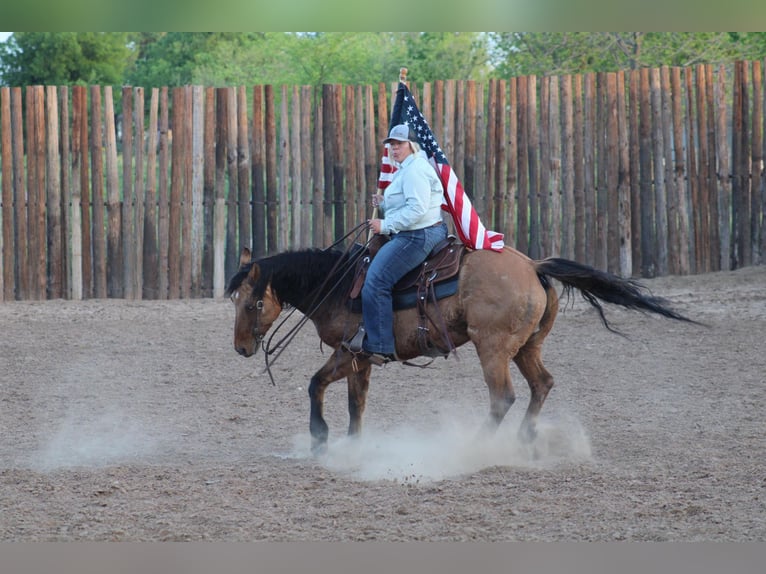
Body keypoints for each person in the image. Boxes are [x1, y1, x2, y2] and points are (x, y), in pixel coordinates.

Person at [343, 124, 448, 364]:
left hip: (417, 235)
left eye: (398, 144)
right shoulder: (407, 168)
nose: (393, 149)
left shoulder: (414, 170)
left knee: (376, 280)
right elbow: (408, 201)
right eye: (391, 145)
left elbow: (417, 208)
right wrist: (385, 201)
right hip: (418, 231)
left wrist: (385, 225)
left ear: (411, 145)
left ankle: (380, 345)